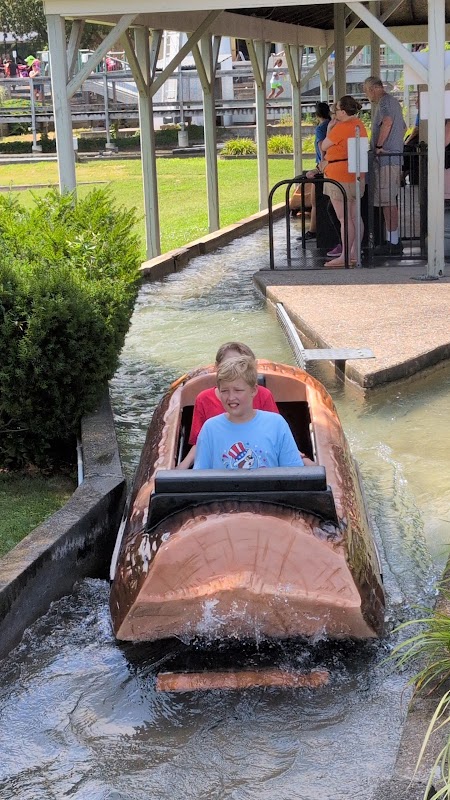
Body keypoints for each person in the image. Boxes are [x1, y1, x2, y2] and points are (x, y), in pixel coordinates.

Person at [177, 341, 278, 469]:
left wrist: (303, 459)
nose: (235, 369)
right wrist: (181, 468)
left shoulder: (268, 405)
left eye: (241, 365)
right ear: (217, 367)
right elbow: (201, 443)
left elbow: (276, 436)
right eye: (225, 391)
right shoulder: (206, 410)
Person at [194, 356, 304, 470]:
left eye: (238, 390)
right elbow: (199, 475)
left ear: (253, 390)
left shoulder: (277, 424)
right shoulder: (209, 429)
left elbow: (294, 471)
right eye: (224, 391)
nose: (231, 397)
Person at [321, 95, 368, 268]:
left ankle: (345, 256)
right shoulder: (359, 125)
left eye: (336, 109)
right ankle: (354, 252)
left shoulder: (340, 127)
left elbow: (323, 146)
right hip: (356, 174)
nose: (334, 112)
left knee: (344, 217)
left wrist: (329, 129)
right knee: (355, 216)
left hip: (338, 175)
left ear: (342, 111)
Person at [363, 76, 406, 255]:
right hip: (392, 159)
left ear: (373, 88)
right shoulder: (394, 102)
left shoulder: (384, 103)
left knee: (388, 201)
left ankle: (394, 243)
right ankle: (392, 240)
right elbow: (402, 127)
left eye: (366, 91)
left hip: (387, 161)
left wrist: (380, 146)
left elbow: (387, 122)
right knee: (388, 201)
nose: (367, 96)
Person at [298, 101, 332, 241]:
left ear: (317, 114)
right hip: (330, 165)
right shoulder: (332, 125)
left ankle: (313, 230)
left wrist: (321, 166)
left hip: (322, 166)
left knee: (315, 201)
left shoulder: (320, 128)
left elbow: (321, 146)